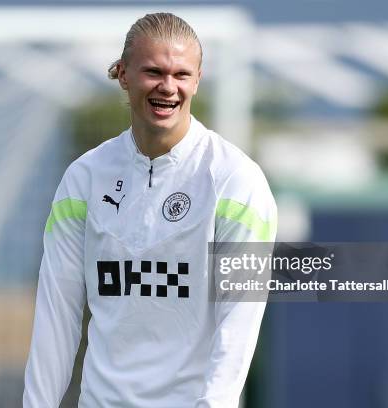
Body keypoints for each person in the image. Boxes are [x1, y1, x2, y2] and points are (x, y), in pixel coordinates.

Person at [23, 12, 277, 408]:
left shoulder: (236, 180)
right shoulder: (84, 178)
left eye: (181, 75)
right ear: (123, 74)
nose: (168, 87)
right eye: (154, 72)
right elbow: (57, 313)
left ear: (197, 80)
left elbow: (240, 320)